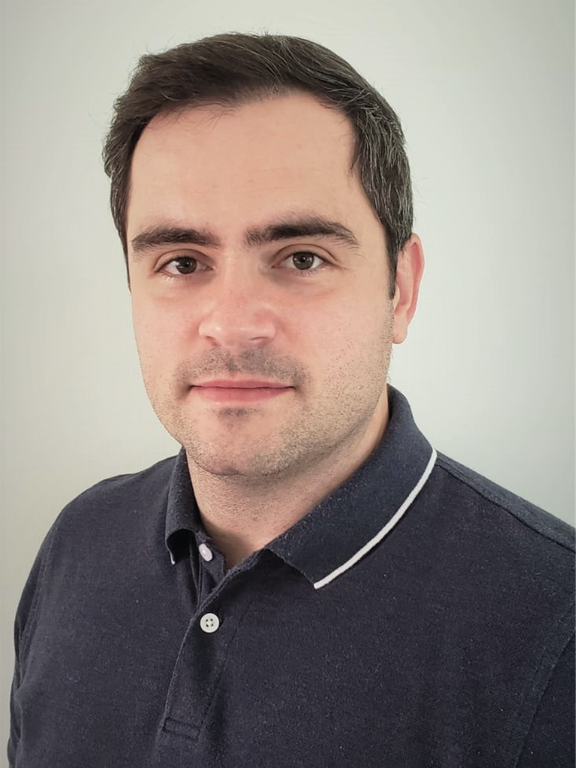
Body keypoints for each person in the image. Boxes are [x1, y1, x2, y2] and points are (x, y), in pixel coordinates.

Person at [8, 32, 576, 768]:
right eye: (181, 261)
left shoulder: (555, 628)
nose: (232, 322)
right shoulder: (76, 544)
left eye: (302, 257)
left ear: (401, 289)